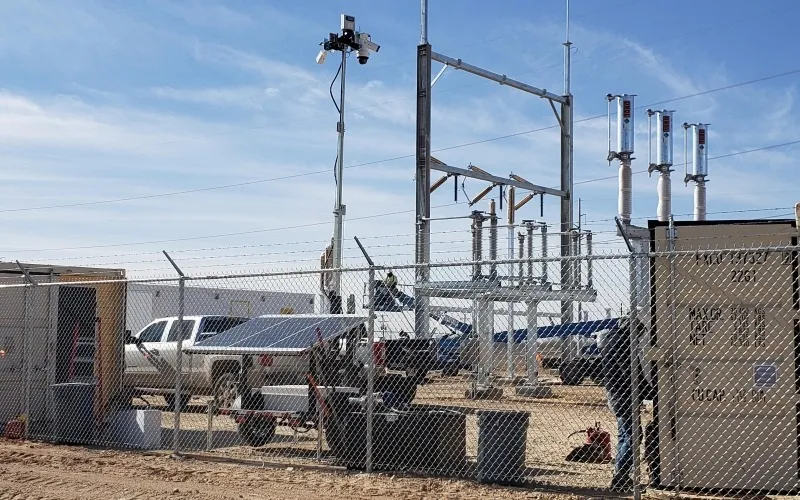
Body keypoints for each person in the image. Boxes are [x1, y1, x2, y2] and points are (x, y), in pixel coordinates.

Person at [600, 314, 647, 493]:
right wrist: (648, 389)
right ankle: (620, 478)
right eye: (639, 333)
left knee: (624, 435)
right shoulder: (623, 343)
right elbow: (631, 371)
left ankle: (620, 475)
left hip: (616, 395)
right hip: (625, 396)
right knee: (634, 436)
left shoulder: (611, 340)